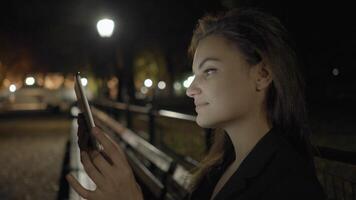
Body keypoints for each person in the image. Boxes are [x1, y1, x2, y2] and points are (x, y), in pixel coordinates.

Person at [66, 8, 327, 200]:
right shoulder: (219, 167)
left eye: (209, 71)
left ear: (262, 75)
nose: (191, 89)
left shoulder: (290, 185)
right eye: (194, 74)